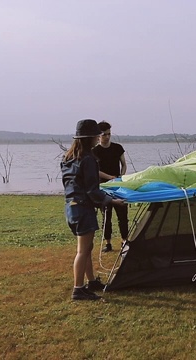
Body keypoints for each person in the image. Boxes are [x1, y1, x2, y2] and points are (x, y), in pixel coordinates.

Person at [61, 119, 126, 301]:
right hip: (83, 209)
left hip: (71, 208)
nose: (99, 138)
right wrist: (112, 201)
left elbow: (75, 186)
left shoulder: (68, 157)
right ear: (90, 137)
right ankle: (78, 289)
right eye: (97, 135)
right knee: (82, 251)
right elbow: (92, 190)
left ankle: (91, 282)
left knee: (87, 248)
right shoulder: (88, 159)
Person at [92, 121, 129, 253]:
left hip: (119, 186)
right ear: (99, 136)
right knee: (106, 217)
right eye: (103, 135)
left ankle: (124, 241)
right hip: (104, 188)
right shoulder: (95, 151)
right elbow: (94, 170)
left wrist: (121, 177)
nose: (106, 137)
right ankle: (108, 243)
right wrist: (109, 177)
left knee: (123, 216)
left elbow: (124, 164)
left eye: (109, 134)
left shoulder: (118, 148)